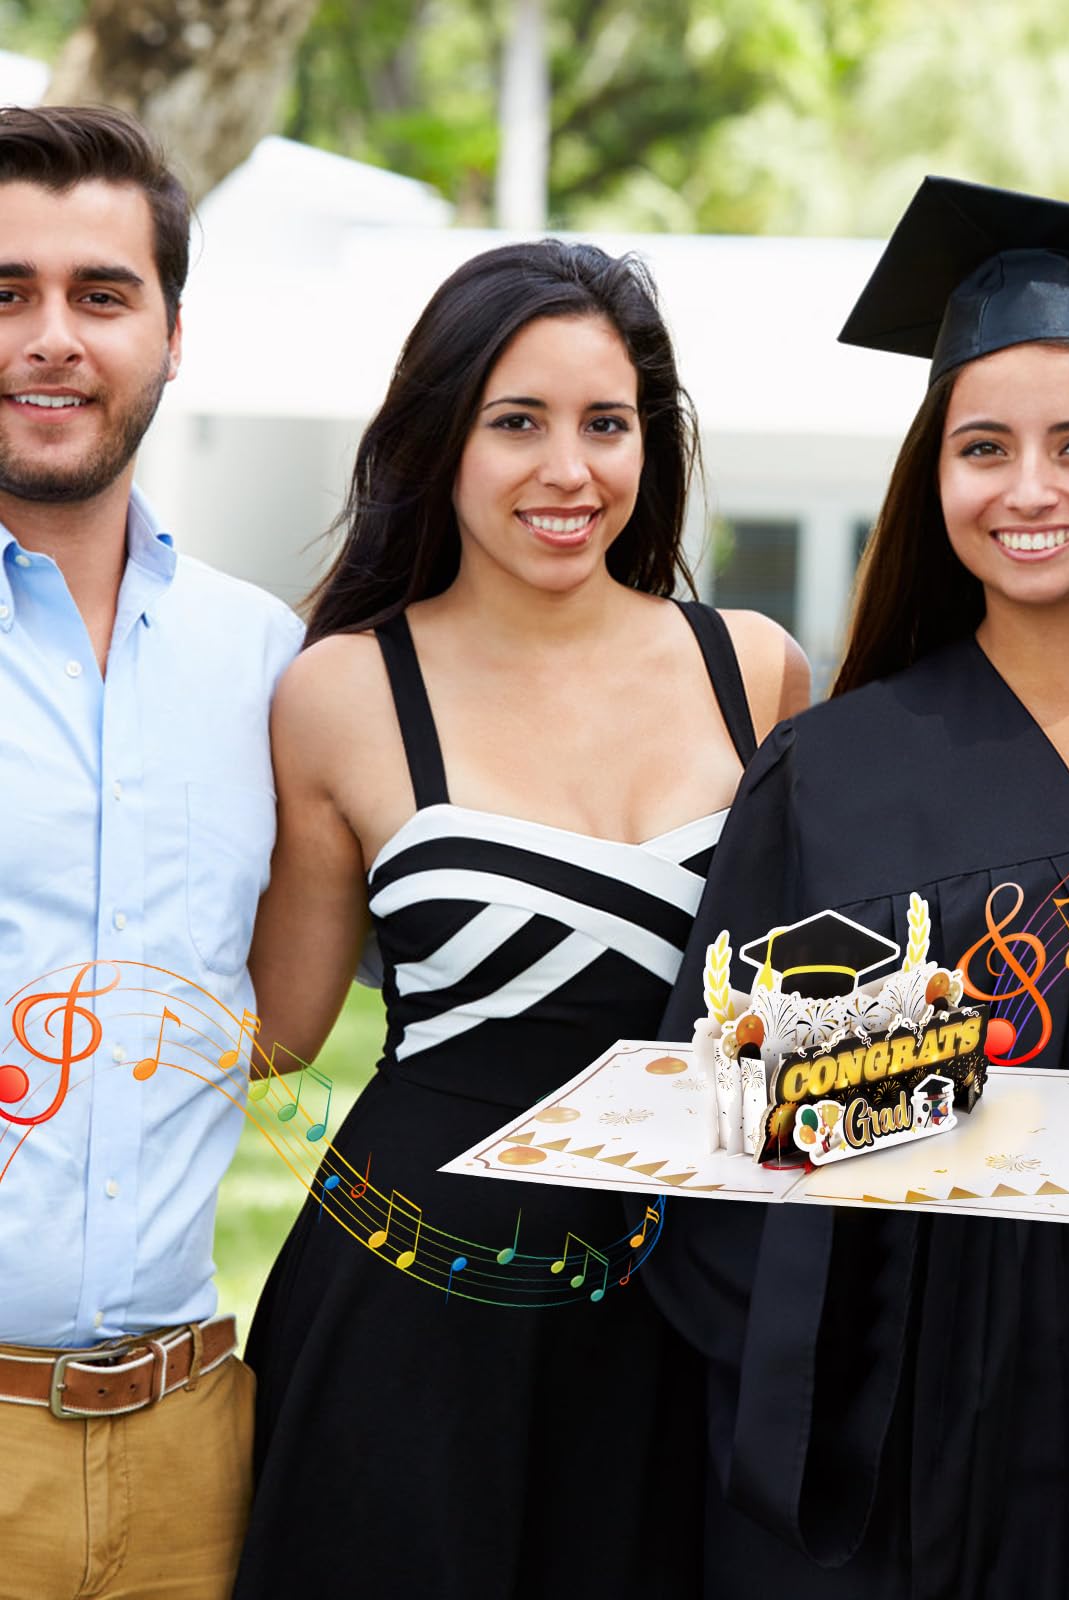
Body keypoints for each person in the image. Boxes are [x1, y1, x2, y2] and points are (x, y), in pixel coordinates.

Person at [647, 178, 1069, 1598]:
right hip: (915, 1450)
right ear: (931, 477)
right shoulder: (832, 772)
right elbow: (712, 1142)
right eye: (982, 448)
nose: (1028, 490)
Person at [233, 239, 807, 1600]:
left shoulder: (758, 671)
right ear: (441, 439)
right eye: (517, 424)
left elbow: (808, 1015)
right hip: (413, 1300)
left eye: (607, 425)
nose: (571, 471)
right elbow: (272, 1034)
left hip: (685, 1303)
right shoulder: (342, 692)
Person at [0, 108, 302, 1599]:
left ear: (174, 333)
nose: (51, 336)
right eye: (5, 292)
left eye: (99, 295)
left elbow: (292, 1019)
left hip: (194, 1444)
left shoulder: (268, 662)